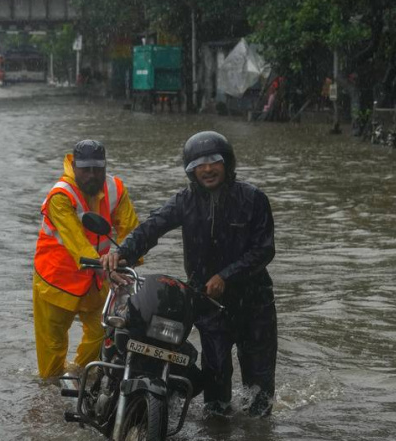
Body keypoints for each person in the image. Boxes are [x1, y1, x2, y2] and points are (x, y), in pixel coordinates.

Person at [101, 131, 277, 418]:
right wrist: (121, 254)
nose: (207, 169)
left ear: (227, 163)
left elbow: (264, 250)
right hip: (208, 304)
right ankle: (218, 438)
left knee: (259, 391)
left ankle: (257, 439)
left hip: (254, 303)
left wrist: (226, 276)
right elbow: (152, 227)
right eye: (199, 163)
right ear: (190, 170)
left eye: (214, 161)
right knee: (216, 383)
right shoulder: (184, 200)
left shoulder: (254, 198)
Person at [32, 140, 140, 379]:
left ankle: (79, 377)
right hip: (56, 280)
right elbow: (76, 242)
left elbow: (130, 230)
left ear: (105, 166)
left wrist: (129, 260)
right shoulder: (60, 196)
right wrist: (108, 269)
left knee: (103, 332)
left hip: (96, 279)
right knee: (52, 348)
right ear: (75, 166)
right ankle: (50, 389)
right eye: (86, 170)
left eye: (98, 169)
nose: (92, 175)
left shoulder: (116, 189)